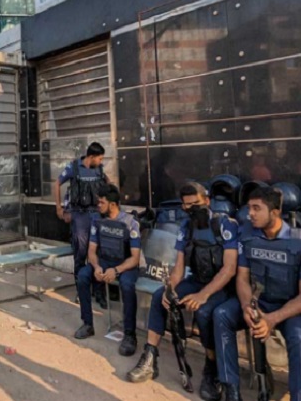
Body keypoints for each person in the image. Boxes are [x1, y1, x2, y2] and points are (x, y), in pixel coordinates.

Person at [127, 183, 239, 401]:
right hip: (196, 281)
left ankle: (212, 367)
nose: (192, 209)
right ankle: (150, 357)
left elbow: (229, 269)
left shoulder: (224, 225)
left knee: (205, 312)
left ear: (207, 201)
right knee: (160, 297)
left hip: (221, 286)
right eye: (187, 206)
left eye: (196, 204)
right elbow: (178, 267)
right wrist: (170, 288)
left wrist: (203, 295)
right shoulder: (186, 227)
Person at [213, 187, 301, 401]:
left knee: (299, 337)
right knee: (222, 314)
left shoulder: (298, 242)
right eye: (249, 208)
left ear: (275, 212)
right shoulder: (247, 236)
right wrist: (246, 307)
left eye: (256, 208)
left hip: (289, 309)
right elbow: (242, 278)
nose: (250, 213)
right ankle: (231, 389)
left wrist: (272, 319)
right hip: (258, 302)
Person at [75, 184, 142, 357]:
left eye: (101, 202)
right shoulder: (97, 221)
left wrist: (116, 270)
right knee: (83, 276)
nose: (98, 205)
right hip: (104, 261)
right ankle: (88, 324)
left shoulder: (130, 223)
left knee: (127, 285)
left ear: (112, 204)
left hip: (126, 265)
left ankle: (130, 335)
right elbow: (91, 250)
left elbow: (135, 258)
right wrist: (97, 267)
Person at [56, 142, 108, 306]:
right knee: (81, 253)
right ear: (91, 157)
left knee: (98, 254)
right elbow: (57, 183)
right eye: (99, 158)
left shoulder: (99, 170)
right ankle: (82, 291)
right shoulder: (74, 167)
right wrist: (59, 208)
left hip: (96, 215)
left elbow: (108, 184)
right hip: (79, 215)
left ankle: (98, 292)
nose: (100, 161)